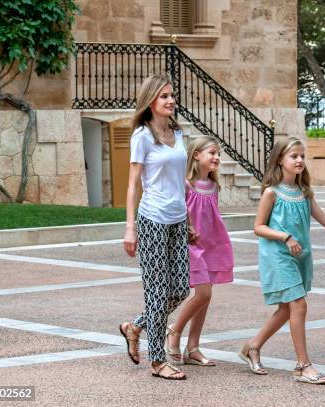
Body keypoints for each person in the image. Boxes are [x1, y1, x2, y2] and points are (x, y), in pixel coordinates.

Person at [239, 136, 325, 384]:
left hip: (300, 256)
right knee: (299, 305)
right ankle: (303, 366)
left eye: (302, 156)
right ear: (280, 160)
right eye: (294, 156)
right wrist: (285, 236)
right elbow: (258, 227)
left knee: (286, 309)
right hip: (278, 254)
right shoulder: (271, 193)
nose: (299, 160)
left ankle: (252, 346)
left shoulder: (304, 193)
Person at [119, 73, 197, 380]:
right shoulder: (142, 136)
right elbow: (132, 186)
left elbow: (180, 182)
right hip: (151, 219)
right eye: (164, 96)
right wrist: (130, 229)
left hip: (177, 219)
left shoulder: (178, 133)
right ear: (151, 100)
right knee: (156, 290)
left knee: (180, 289)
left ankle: (135, 326)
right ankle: (158, 360)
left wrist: (188, 221)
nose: (170, 100)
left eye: (172, 95)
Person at [165, 136, 234, 366]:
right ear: (196, 155)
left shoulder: (214, 186)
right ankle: (174, 332)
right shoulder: (186, 184)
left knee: (205, 298)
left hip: (212, 245)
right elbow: (178, 213)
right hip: (191, 245)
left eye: (218, 154)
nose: (216, 157)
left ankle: (193, 347)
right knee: (203, 294)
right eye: (211, 153)